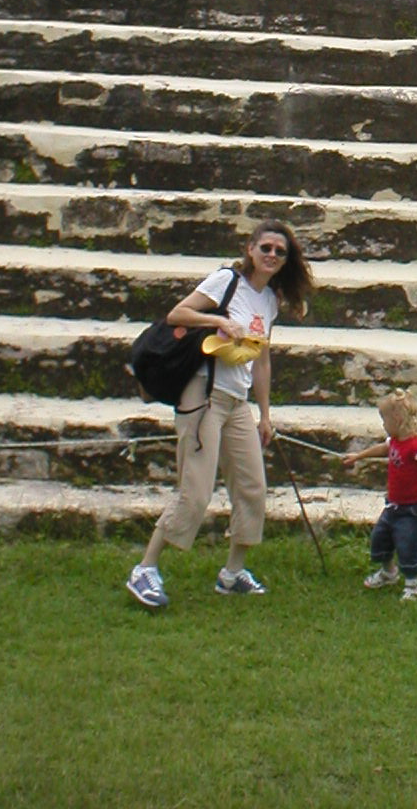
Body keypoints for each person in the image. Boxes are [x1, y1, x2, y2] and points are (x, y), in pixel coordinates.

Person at [126, 221, 314, 609]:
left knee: (251, 487)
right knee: (194, 490)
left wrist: (265, 414)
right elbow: (178, 313)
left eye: (280, 251)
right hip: (205, 393)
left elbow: (261, 359)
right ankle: (146, 568)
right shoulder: (226, 281)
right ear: (250, 249)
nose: (272, 255)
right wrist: (218, 321)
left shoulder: (268, 301)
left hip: (237, 401)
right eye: (266, 248)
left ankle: (232, 573)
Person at [340, 386, 417, 602]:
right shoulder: (395, 442)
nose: (383, 425)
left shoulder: (416, 446)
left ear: (398, 420)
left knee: (408, 543)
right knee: (380, 538)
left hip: (412, 509)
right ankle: (389, 572)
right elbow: (382, 449)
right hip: (394, 506)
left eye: (385, 420)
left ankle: (411, 585)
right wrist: (358, 457)